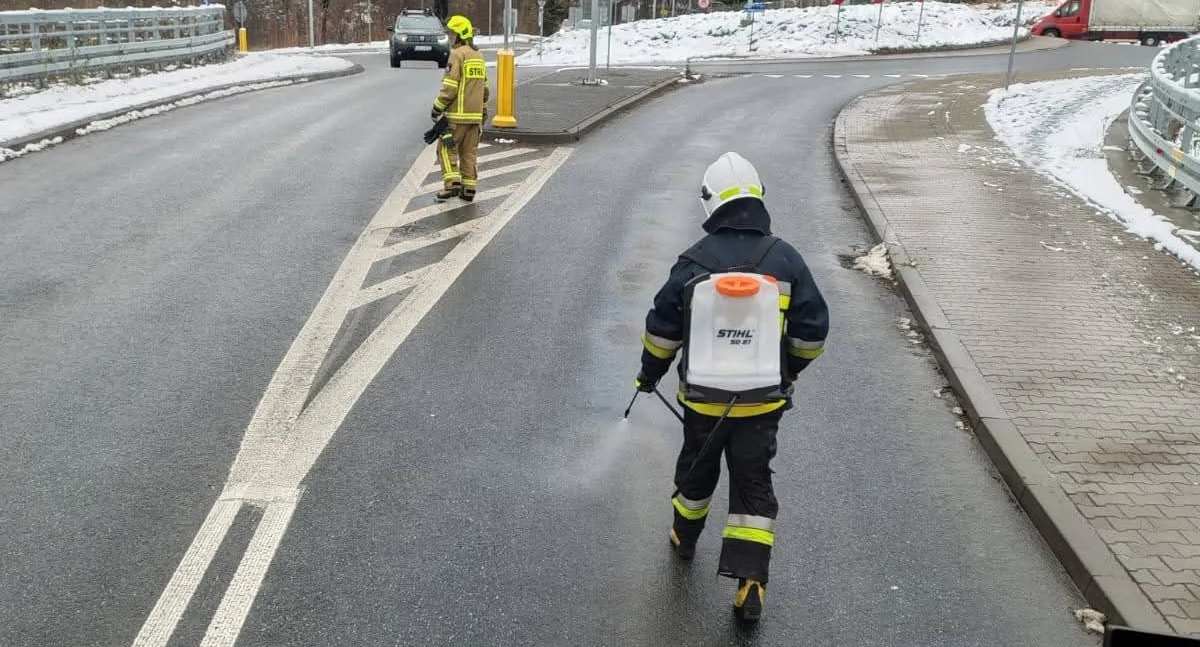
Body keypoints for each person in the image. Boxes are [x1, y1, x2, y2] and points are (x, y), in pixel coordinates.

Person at [633, 152, 829, 623]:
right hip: (761, 403)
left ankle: (684, 536)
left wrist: (649, 374)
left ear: (711, 203)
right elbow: (812, 333)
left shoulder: (692, 262)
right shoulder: (785, 259)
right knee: (753, 482)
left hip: (703, 400)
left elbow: (663, 330)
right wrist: (790, 370)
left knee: (697, 469)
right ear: (757, 198)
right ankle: (750, 582)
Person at [430, 15, 489, 202]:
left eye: (452, 33)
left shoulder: (457, 55)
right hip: (475, 117)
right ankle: (469, 188)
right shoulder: (478, 56)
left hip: (457, 116)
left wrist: (437, 108)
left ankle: (452, 184)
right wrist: (482, 111)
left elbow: (450, 87)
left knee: (445, 149)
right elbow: (485, 89)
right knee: (469, 152)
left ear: (461, 34)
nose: (450, 37)